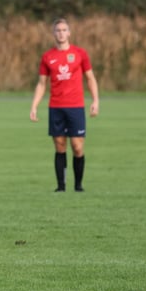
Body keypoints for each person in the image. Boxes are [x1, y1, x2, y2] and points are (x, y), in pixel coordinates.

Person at [30, 17, 99, 192]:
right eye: (57, 30)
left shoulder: (80, 54)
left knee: (77, 146)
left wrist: (95, 100)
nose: (61, 33)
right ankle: (61, 187)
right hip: (56, 107)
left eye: (64, 30)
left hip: (76, 106)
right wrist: (34, 106)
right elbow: (41, 84)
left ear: (69, 32)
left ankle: (78, 186)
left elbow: (90, 78)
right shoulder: (48, 57)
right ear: (53, 34)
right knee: (60, 145)